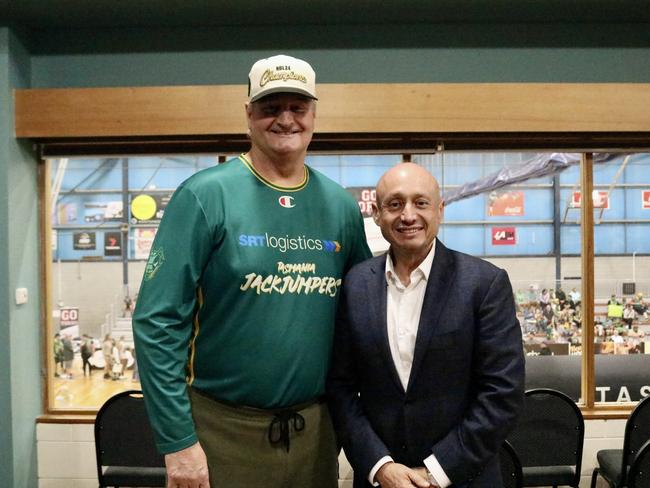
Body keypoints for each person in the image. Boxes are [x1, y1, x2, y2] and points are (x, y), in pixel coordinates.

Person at [133, 54, 371, 488]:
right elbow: (156, 323)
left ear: (314, 114)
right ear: (248, 114)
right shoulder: (204, 196)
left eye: (297, 107)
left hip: (314, 433)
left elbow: (367, 316)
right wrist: (177, 441)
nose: (285, 119)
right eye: (270, 106)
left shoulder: (340, 207)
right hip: (219, 432)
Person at [327, 163, 525, 488]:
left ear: (439, 211)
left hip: (463, 478)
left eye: (420, 203)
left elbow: (502, 393)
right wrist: (380, 466)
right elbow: (341, 387)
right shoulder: (356, 284)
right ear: (376, 214)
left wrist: (434, 472)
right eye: (395, 204)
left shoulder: (484, 284)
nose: (408, 215)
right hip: (382, 480)